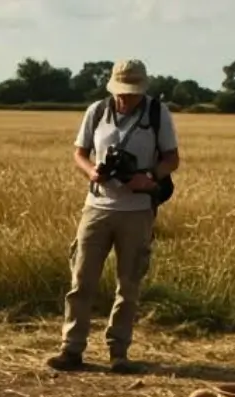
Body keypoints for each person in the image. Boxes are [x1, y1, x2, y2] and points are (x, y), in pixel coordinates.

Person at [50, 58, 180, 375]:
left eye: (133, 92)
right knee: (81, 281)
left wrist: (148, 177)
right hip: (97, 208)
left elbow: (172, 159)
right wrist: (92, 172)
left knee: (128, 285)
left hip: (137, 212)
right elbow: (79, 153)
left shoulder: (157, 113)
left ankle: (118, 353)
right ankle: (71, 349)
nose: (126, 98)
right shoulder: (97, 111)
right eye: (122, 91)